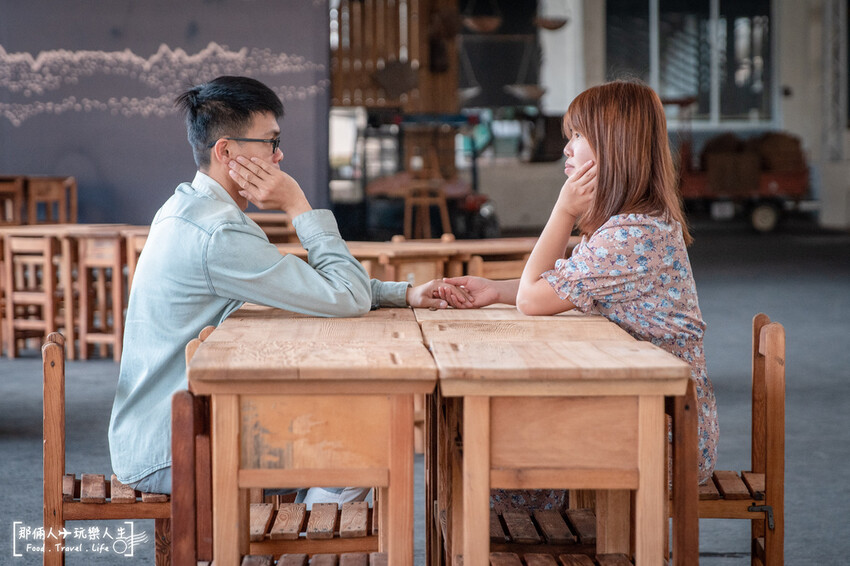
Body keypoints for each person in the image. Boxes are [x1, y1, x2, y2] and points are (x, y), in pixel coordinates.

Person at [108, 75, 467, 501]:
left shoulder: (190, 207)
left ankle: (283, 544)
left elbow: (314, 287)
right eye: (270, 142)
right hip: (170, 448)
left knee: (343, 433)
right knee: (359, 453)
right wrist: (298, 204)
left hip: (166, 428)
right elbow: (345, 297)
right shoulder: (218, 233)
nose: (280, 155)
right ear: (227, 152)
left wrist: (403, 294)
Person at [439, 80, 718, 509]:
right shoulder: (630, 223)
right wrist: (496, 291)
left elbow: (533, 301)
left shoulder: (631, 234)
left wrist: (563, 211)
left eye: (579, 137)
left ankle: (532, 549)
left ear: (615, 145)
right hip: (647, 413)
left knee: (494, 460)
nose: (567, 149)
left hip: (664, 435)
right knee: (496, 450)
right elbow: (559, 287)